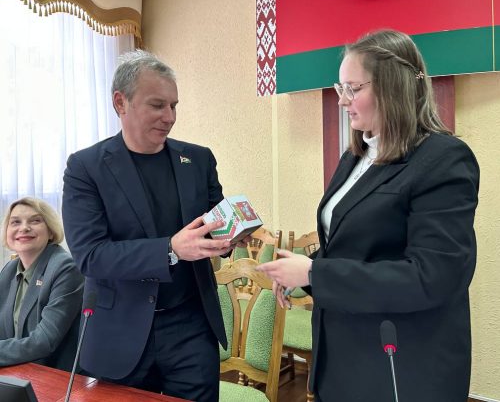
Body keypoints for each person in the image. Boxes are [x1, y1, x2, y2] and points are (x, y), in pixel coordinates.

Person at [257, 30, 479, 402]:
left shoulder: (443, 159)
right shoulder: (355, 156)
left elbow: (433, 276)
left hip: (400, 363)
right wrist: (301, 271)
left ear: (393, 87)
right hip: (342, 354)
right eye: (339, 87)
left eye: (352, 88)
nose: (342, 99)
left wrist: (314, 273)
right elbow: (353, 247)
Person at [62, 50, 245, 402]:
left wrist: (232, 233)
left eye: (174, 106)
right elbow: (90, 256)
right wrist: (170, 250)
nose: (170, 117)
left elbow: (213, 223)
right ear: (121, 102)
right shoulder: (86, 168)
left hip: (191, 328)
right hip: (121, 332)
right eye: (157, 105)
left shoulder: (198, 159)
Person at [0, 197, 84, 370]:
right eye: (15, 222)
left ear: (51, 231)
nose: (24, 228)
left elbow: (44, 340)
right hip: (18, 371)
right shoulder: (10, 269)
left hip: (55, 375)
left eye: (35, 221)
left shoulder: (65, 268)